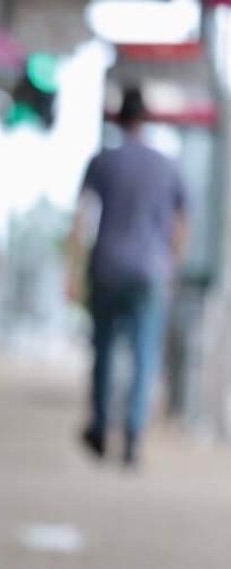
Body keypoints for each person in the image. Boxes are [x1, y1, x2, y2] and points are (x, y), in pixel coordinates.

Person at [69, 87, 187, 467]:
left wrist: (72, 270)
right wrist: (171, 262)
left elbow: (81, 217)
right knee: (144, 355)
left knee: (103, 351)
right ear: (148, 120)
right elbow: (182, 221)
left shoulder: (103, 161)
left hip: (106, 268)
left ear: (118, 120)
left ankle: (101, 429)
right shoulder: (166, 165)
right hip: (149, 270)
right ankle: (134, 435)